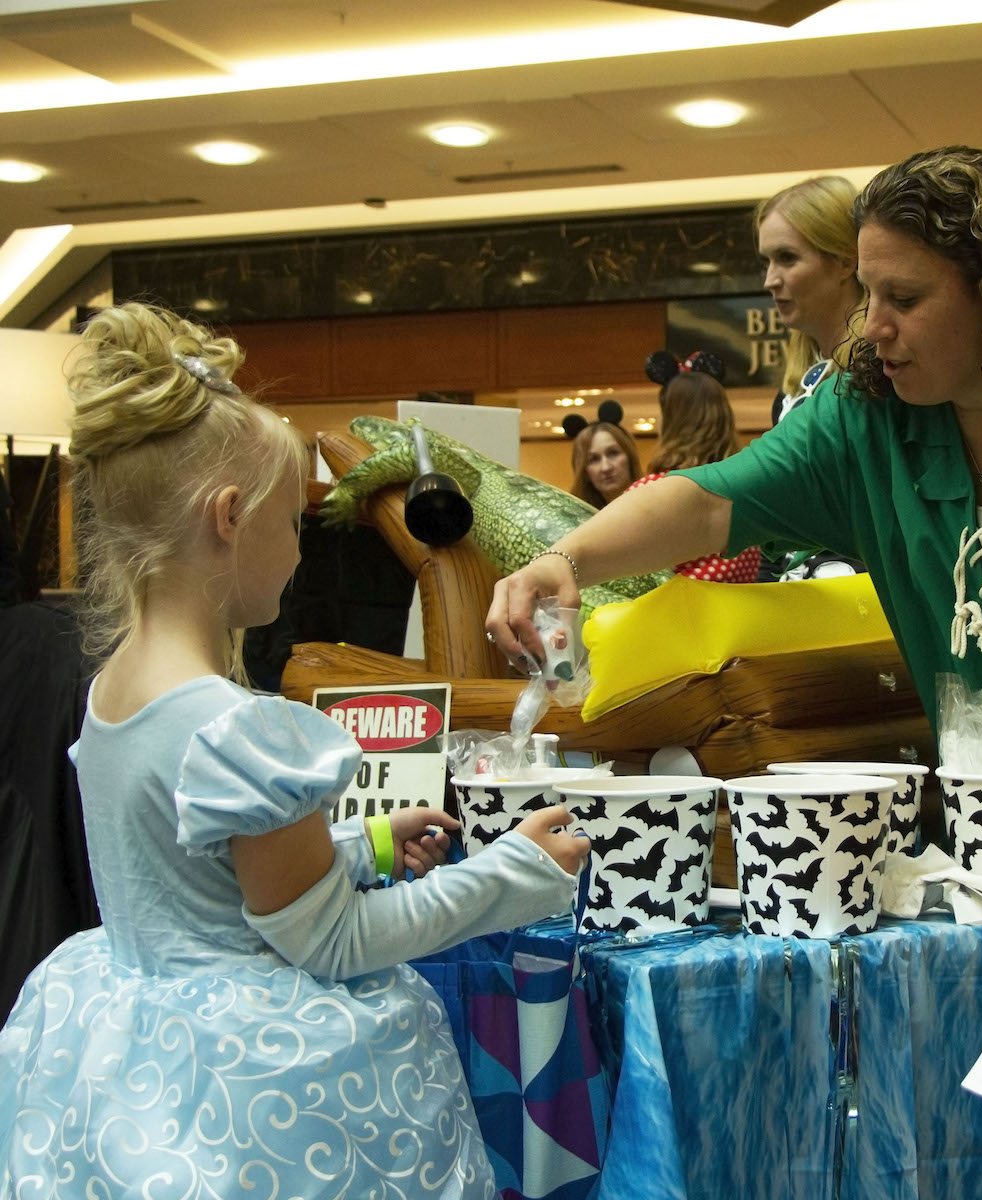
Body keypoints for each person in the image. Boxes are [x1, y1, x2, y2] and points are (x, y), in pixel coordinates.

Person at [0, 302, 590, 1196]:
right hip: (252, 1087)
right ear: (230, 517)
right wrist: (510, 875)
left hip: (136, 1061)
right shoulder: (229, 725)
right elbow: (334, 941)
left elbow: (204, 883)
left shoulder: (112, 692)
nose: (299, 557)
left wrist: (374, 844)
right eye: (291, 525)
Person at [488, 145, 982, 884]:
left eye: (907, 299)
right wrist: (564, 561)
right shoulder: (868, 414)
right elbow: (706, 503)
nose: (875, 326)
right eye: (868, 294)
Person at [631, 348, 759, 582]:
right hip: (744, 616)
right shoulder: (749, 488)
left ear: (670, 420)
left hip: (671, 616)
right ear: (724, 417)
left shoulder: (653, 491)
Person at [755, 174, 863, 425]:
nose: (770, 281)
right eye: (767, 262)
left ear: (846, 261)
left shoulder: (886, 374)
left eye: (787, 258)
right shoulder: (790, 390)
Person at [567, 408, 641, 508]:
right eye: (594, 459)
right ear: (584, 472)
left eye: (613, 453)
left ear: (630, 457)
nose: (606, 467)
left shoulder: (656, 501)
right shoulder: (575, 517)